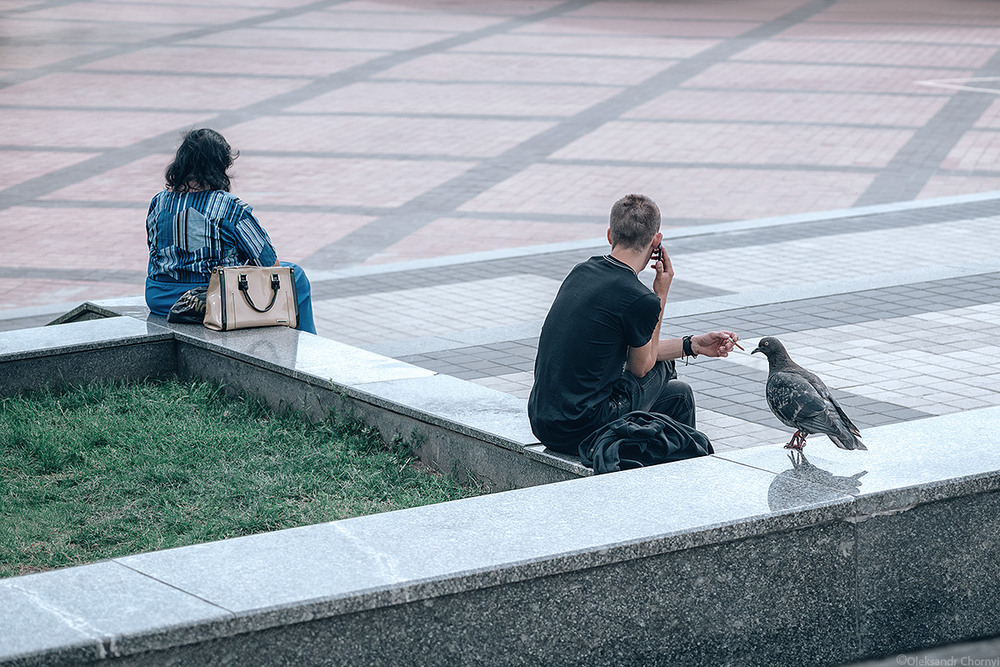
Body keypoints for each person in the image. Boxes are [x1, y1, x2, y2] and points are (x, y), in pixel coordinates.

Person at [528, 194, 738, 455]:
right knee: (663, 368)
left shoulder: (581, 272)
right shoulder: (640, 298)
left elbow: (639, 352)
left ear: (609, 235)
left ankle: (681, 472)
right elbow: (642, 367)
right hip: (583, 428)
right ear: (656, 241)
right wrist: (661, 293)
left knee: (679, 395)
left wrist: (692, 345)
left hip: (545, 423)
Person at [144, 128, 316, 334]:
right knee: (294, 275)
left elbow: (154, 248)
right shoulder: (229, 206)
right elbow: (270, 265)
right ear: (220, 165)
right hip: (209, 299)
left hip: (159, 298)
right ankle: (308, 348)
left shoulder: (159, 201)